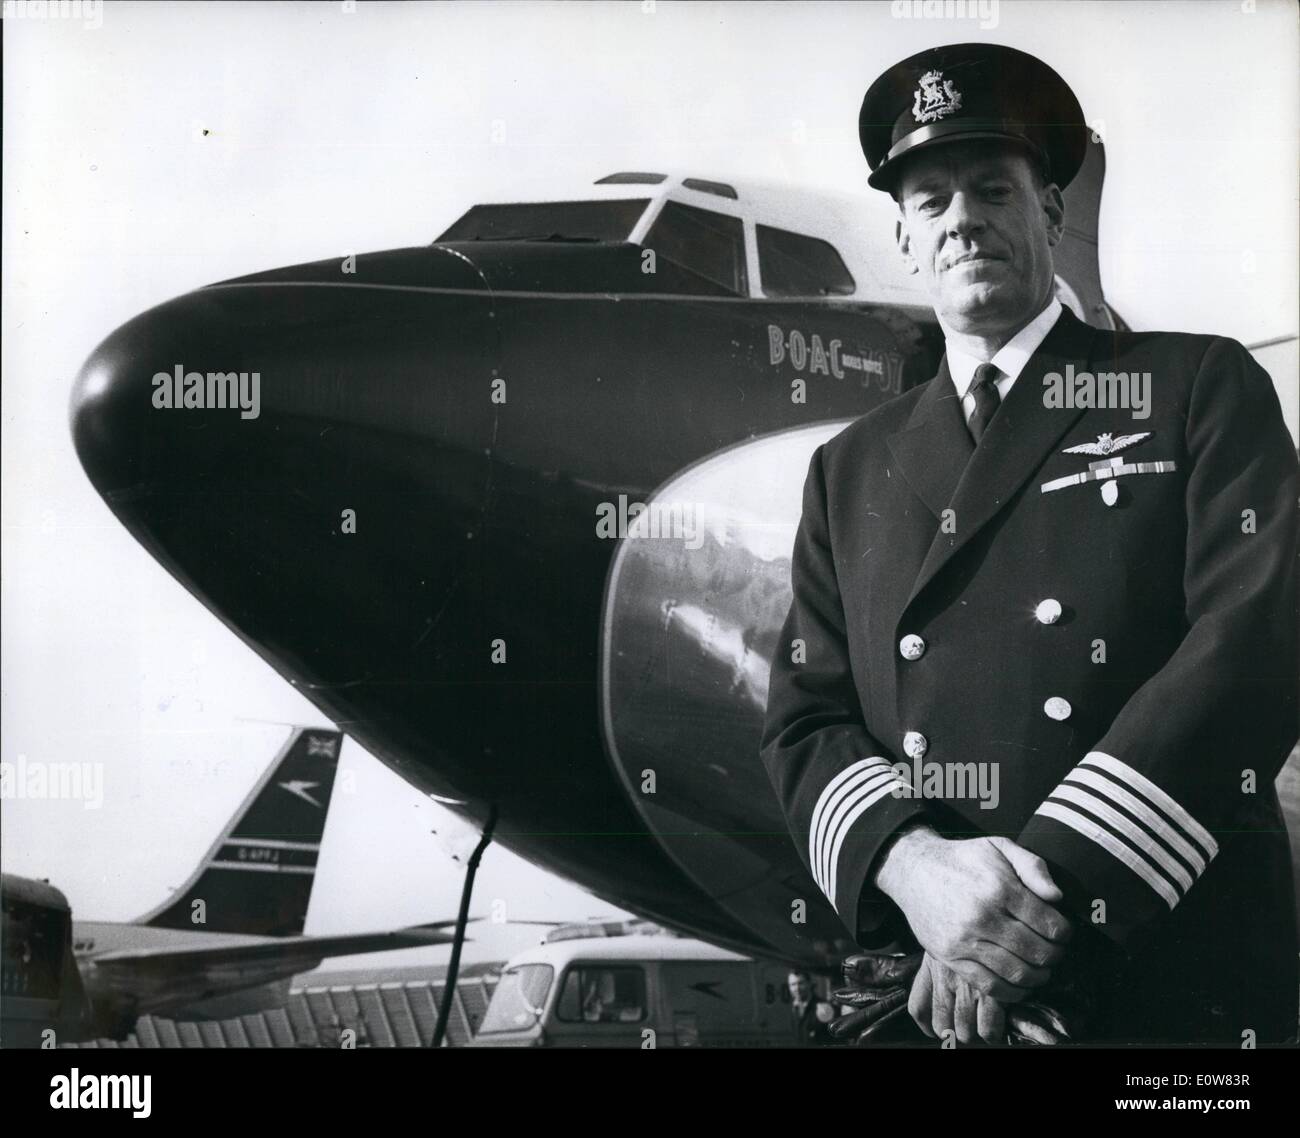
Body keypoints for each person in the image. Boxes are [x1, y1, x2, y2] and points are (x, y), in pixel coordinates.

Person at [760, 42, 1298, 1045]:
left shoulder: (1193, 387)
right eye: (930, 199)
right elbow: (802, 718)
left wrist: (1029, 904)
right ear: (905, 238)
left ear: (1048, 212)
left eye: (990, 188)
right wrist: (917, 870)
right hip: (946, 994)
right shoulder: (848, 467)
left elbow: (1255, 642)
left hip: (1166, 982)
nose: (960, 217)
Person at [787, 970, 835, 1046]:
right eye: (793, 984)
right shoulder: (794, 1008)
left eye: (800, 983)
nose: (797, 988)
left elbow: (833, 1039)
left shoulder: (825, 1007)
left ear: (809, 984)